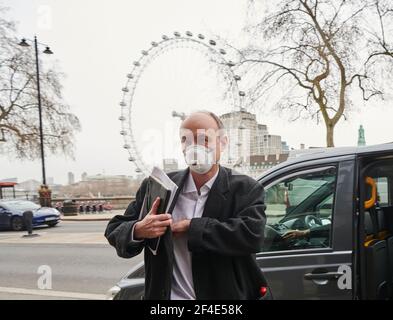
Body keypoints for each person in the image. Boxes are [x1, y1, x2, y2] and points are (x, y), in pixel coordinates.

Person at [105, 110, 267, 300]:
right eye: (186, 140)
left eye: (204, 139)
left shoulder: (246, 188)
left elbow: (252, 235)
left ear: (222, 143)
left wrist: (192, 227)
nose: (194, 147)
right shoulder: (158, 186)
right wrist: (139, 229)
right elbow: (115, 230)